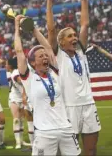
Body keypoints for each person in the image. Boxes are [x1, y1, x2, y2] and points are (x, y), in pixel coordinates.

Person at [46, 0, 101, 156]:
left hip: (88, 104)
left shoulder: (81, 52)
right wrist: (50, 2)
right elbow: (51, 29)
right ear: (62, 41)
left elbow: (85, 24)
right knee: (69, 152)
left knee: (91, 149)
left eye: (75, 35)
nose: (74, 37)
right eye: (70, 36)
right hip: (69, 106)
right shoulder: (58, 55)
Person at [14, 15, 81, 156]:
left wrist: (33, 29)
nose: (45, 57)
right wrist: (16, 28)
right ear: (32, 62)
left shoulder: (54, 72)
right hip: (44, 133)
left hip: (66, 129)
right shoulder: (29, 78)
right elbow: (19, 52)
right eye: (41, 56)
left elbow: (49, 48)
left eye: (45, 56)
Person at [6, 57, 33, 149]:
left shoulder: (19, 71)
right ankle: (18, 142)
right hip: (14, 98)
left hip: (23, 97)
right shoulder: (15, 73)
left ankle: (21, 141)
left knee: (21, 120)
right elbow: (23, 81)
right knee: (16, 120)